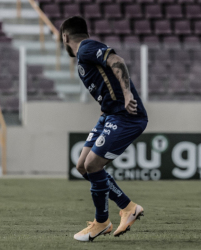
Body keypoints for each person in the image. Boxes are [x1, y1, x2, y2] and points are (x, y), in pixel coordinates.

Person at [61, 16, 148, 242]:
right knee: (82, 166)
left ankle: (102, 222)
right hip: (109, 115)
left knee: (92, 165)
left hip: (126, 116)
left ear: (65, 37)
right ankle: (128, 207)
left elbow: (116, 60)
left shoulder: (87, 47)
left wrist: (128, 93)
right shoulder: (83, 56)